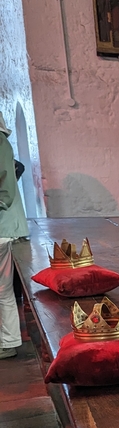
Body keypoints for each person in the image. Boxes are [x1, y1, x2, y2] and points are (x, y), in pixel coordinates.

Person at [0, 113, 28, 359]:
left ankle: (7, 342)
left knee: (2, 290)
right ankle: (7, 341)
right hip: (5, 226)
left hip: (2, 228)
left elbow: (5, 191)